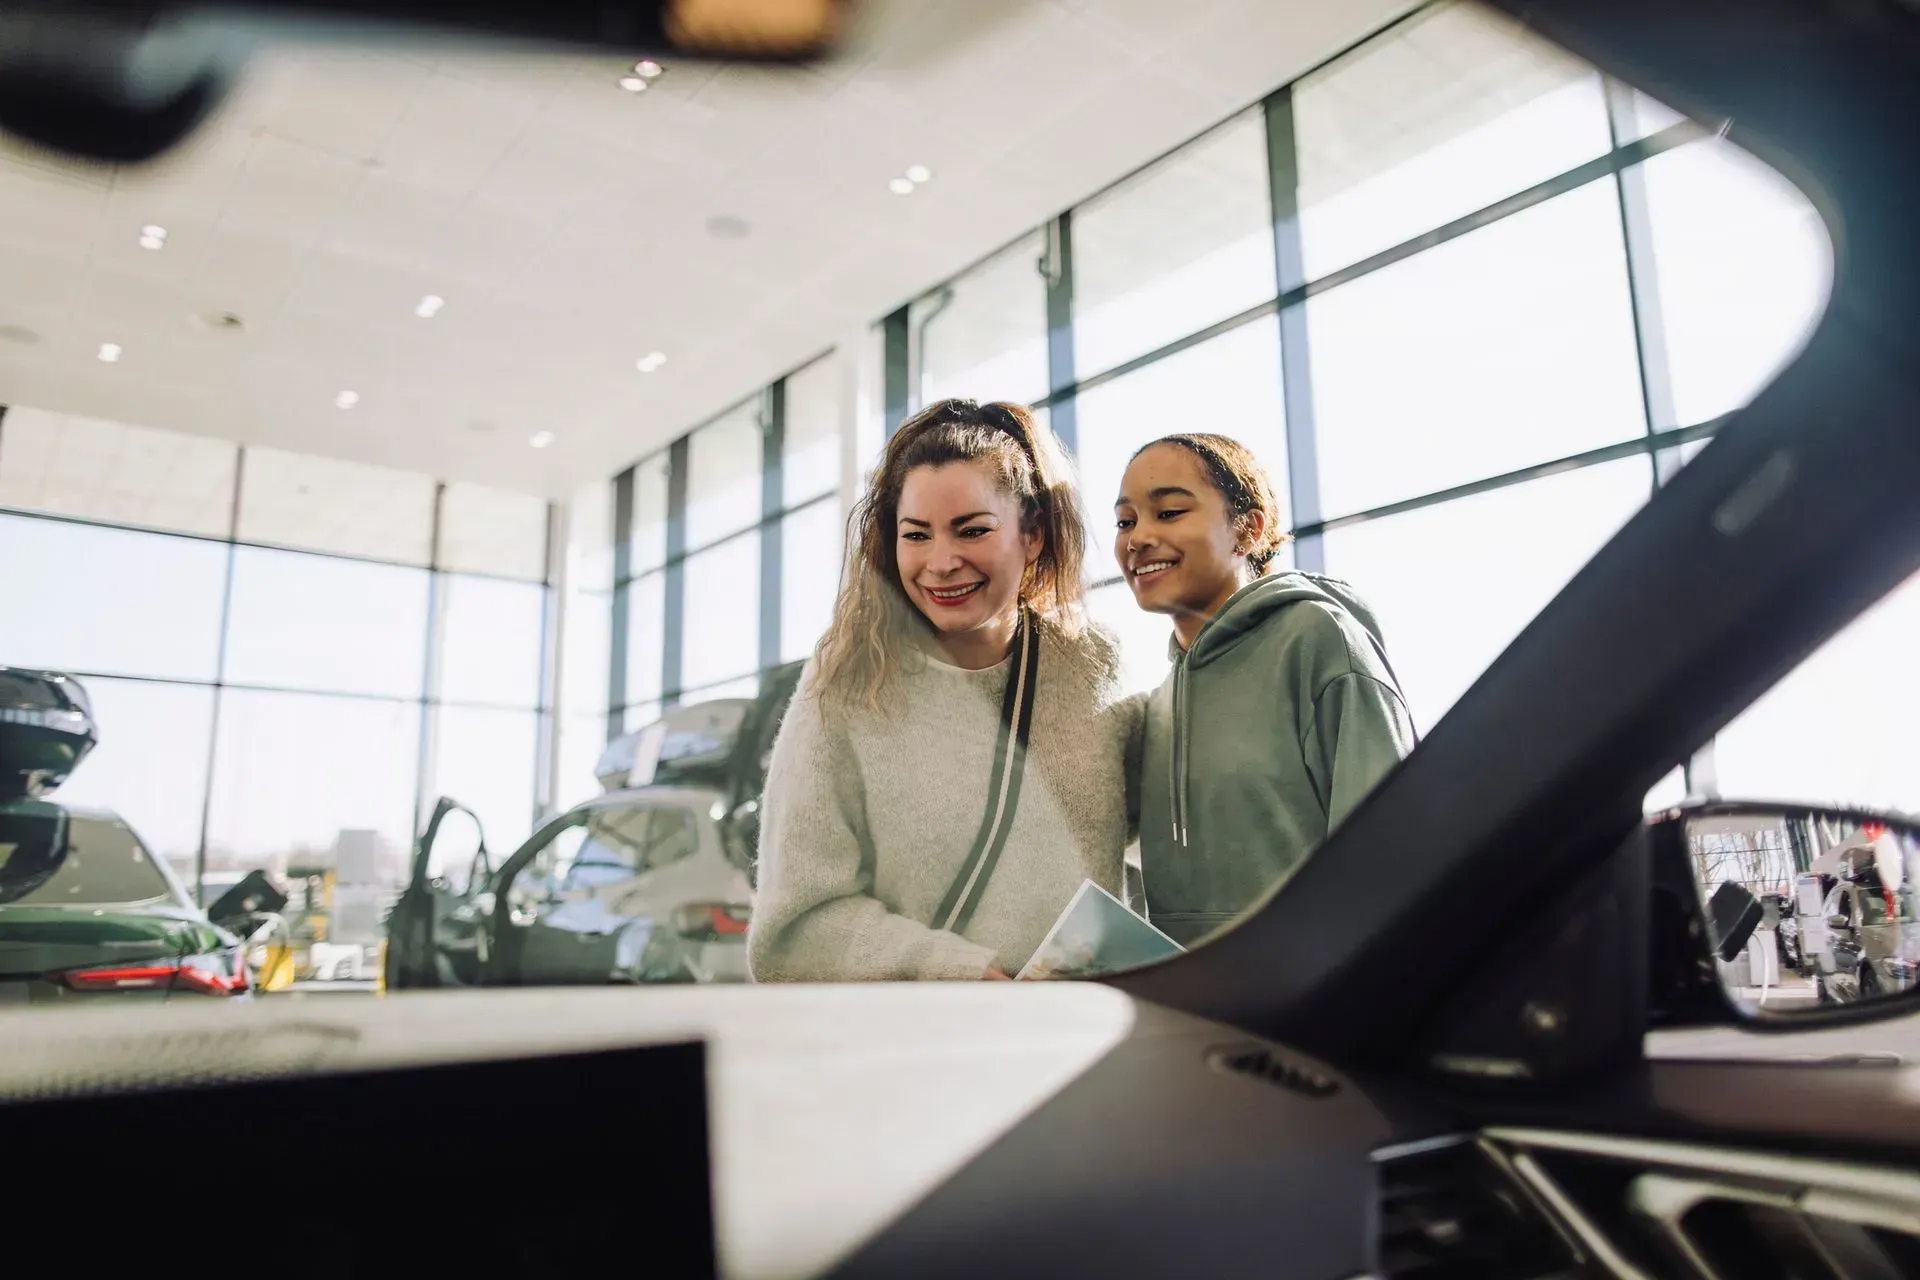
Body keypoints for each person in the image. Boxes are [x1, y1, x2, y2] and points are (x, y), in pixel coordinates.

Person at [749, 399, 1138, 982]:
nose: (941, 562)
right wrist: (963, 974)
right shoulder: (848, 680)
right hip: (920, 1046)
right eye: (917, 535)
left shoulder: (1094, 664)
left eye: (972, 530)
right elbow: (793, 930)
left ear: (1032, 534)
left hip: (1077, 1037)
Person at [1113, 433, 1415, 947]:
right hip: (1189, 1007)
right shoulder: (1159, 707)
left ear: (1247, 530)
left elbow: (1392, 853)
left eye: (1168, 513)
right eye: (1125, 521)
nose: (1137, 538)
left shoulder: (1318, 639)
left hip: (1315, 1003)